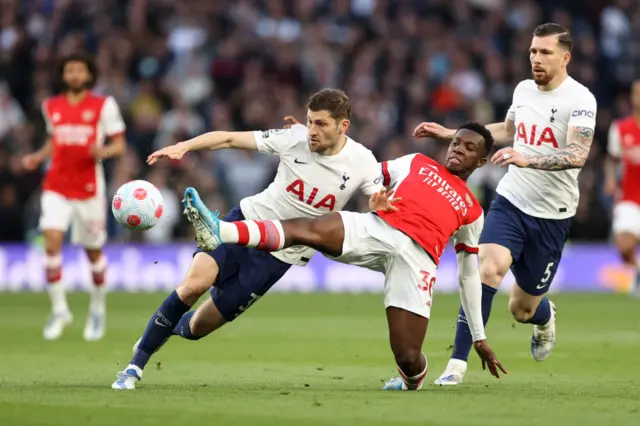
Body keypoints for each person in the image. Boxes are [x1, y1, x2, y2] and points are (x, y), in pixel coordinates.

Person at [181, 122, 507, 391]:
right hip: (378, 228)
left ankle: (413, 379)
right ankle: (222, 231)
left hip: (417, 261)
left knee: (407, 355)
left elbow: (468, 274)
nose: (458, 149)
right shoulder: (416, 163)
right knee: (306, 229)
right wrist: (319, 141)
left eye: (468, 148)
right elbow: (358, 168)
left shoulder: (473, 211)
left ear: (480, 162)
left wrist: (478, 336)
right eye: (456, 143)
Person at [112, 89, 383, 390]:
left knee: (197, 328)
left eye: (321, 124)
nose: (312, 131)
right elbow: (229, 138)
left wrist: (377, 203)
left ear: (343, 126)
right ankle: (134, 367)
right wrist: (183, 146)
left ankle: (164, 329)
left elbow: (379, 200)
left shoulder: (362, 161)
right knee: (194, 285)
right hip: (244, 222)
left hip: (279, 255)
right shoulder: (293, 138)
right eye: (309, 122)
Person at [414, 23, 598, 385]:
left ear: (565, 58)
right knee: (487, 268)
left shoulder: (580, 100)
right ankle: (456, 365)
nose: (536, 59)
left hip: (552, 215)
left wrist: (529, 159)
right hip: (511, 201)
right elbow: (508, 131)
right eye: (532, 51)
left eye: (545, 52)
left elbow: (578, 153)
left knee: (521, 308)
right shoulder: (523, 90)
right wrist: (452, 133)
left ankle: (544, 317)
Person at [21, 53, 127, 341]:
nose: (75, 75)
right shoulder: (51, 106)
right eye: (70, 71)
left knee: (93, 251)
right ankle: (59, 309)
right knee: (51, 242)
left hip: (89, 190)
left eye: (80, 70)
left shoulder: (104, 106)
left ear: (89, 75)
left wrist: (101, 152)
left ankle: (97, 307)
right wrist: (37, 156)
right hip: (56, 186)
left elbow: (119, 145)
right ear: (64, 75)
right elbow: (53, 141)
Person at [605, 79, 640, 295]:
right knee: (624, 246)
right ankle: (637, 270)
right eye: (637, 93)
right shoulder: (620, 128)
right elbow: (612, 158)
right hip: (629, 196)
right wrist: (610, 179)